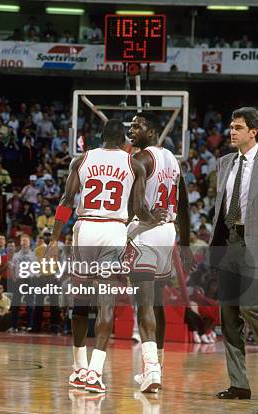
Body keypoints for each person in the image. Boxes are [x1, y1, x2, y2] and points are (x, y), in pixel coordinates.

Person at [45, 119, 162, 393]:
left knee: (81, 304)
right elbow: (138, 208)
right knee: (106, 304)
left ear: (100, 139)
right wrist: (154, 219)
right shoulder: (134, 164)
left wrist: (53, 239)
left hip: (85, 229)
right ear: (124, 141)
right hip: (113, 231)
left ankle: (79, 368)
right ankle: (96, 372)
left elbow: (65, 202)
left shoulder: (82, 159)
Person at [126, 112, 192, 392]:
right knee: (157, 302)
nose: (132, 130)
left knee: (144, 302)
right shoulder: (173, 162)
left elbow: (130, 204)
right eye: (130, 125)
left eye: (137, 126)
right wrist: (186, 245)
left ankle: (151, 368)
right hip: (168, 233)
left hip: (145, 231)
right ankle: (158, 366)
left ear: (152, 132)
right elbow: (185, 205)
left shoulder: (141, 159)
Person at [210, 107, 258, 400]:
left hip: (254, 243)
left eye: (238, 127)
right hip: (229, 243)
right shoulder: (225, 163)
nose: (232, 131)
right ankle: (239, 384)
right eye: (231, 126)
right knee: (228, 316)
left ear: (253, 131)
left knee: (252, 308)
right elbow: (220, 209)